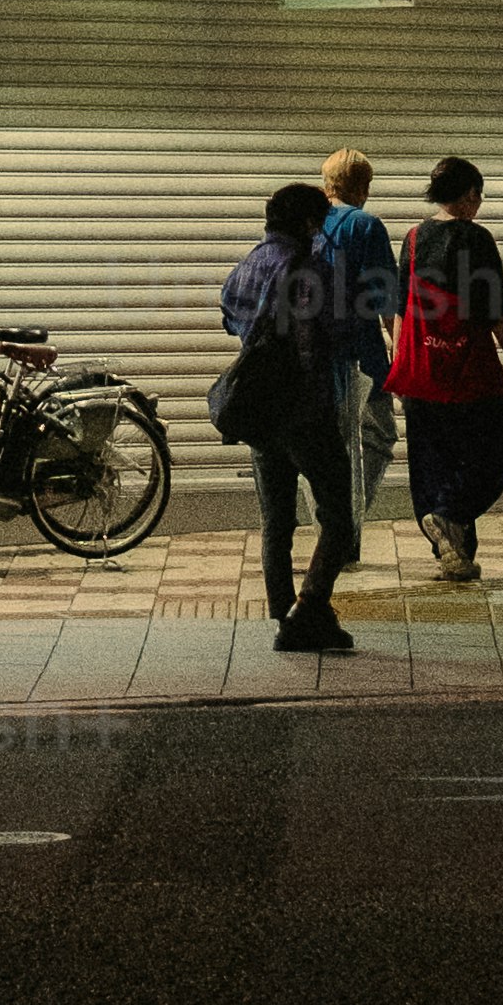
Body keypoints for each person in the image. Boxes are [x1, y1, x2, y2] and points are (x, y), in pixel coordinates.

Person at [220, 181, 360, 655]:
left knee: (276, 520)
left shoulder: (248, 265)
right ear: (307, 224)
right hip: (304, 406)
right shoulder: (308, 267)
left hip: (261, 409)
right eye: (318, 223)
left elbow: (230, 315)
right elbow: (335, 329)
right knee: (339, 515)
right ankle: (310, 608)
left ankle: (284, 614)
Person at [390, 155, 503, 583]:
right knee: (493, 450)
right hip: (468, 370)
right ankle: (450, 520)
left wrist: (401, 362)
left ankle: (453, 554)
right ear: (467, 195)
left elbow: (399, 311)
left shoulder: (411, 238)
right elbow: (493, 308)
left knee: (432, 461)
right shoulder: (477, 239)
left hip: (422, 370)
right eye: (478, 195)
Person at [318, 144, 401, 505]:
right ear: (364, 187)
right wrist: (400, 357)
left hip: (317, 357)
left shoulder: (308, 223)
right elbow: (385, 301)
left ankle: (330, 519)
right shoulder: (366, 225)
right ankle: (350, 518)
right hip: (362, 354)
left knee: (330, 443)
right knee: (379, 436)